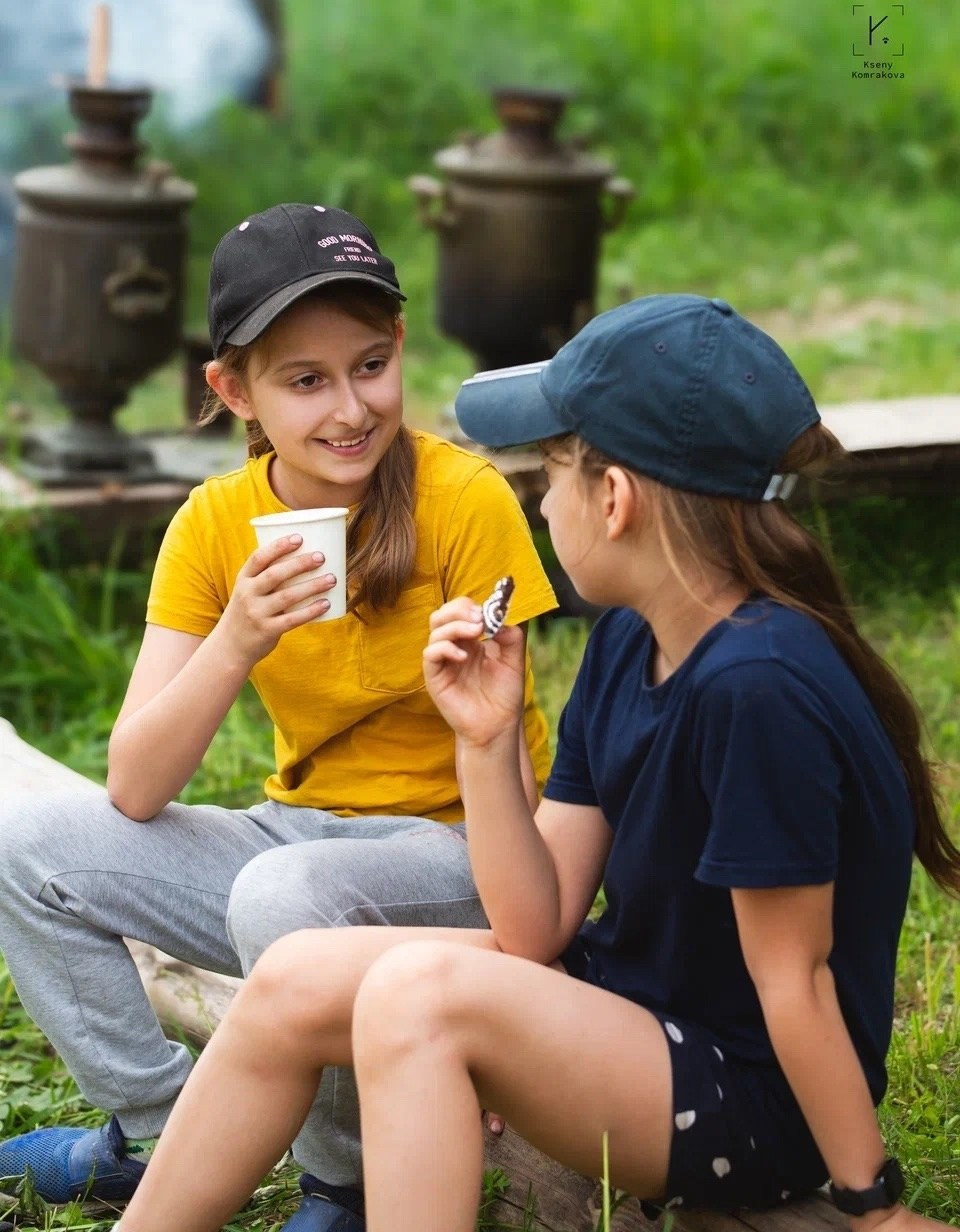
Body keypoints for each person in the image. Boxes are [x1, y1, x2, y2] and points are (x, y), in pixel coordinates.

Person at [105, 293, 959, 1232]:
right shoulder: (630, 641)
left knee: (416, 997)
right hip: (636, 1009)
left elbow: (794, 981)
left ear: (615, 499)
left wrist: (873, 1206)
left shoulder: (757, 687)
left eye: (550, 472)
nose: (542, 502)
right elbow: (535, 924)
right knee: (294, 974)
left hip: (748, 1096)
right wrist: (486, 737)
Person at [0, 204, 558, 1232]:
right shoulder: (215, 525)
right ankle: (169, 1134)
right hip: (298, 834)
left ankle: (342, 1180)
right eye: (306, 380)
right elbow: (135, 786)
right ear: (233, 390)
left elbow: (520, 793)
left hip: (460, 853)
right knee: (28, 844)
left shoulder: (465, 499)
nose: (351, 407)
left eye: (372, 365)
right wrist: (236, 639)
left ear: (400, 348)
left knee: (286, 894)